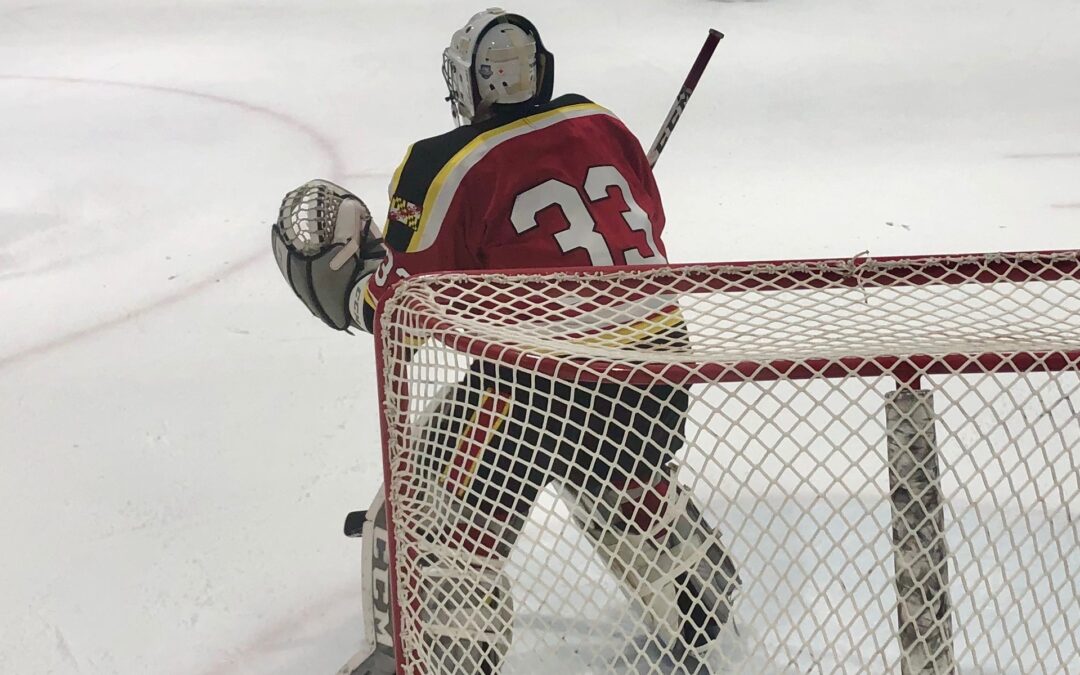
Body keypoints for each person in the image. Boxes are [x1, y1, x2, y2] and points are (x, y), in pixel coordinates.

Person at [271, 9, 739, 674]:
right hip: (661, 367)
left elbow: (400, 304)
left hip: (537, 387)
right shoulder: (603, 122)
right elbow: (646, 227)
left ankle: (442, 654)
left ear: (468, 84)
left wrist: (349, 286)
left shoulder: (442, 163)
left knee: (437, 492)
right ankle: (693, 591)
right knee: (624, 479)